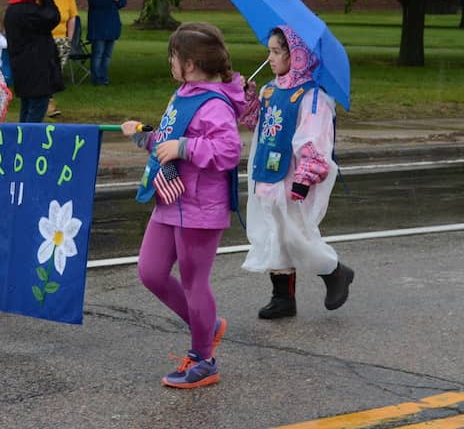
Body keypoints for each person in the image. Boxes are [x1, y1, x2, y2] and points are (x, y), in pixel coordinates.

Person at [121, 22, 245, 389]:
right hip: (170, 198)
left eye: (172, 57)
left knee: (194, 283)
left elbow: (229, 151)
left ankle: (204, 358)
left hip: (200, 207)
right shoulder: (183, 94)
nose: (170, 63)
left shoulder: (214, 104)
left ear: (189, 63)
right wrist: (144, 136)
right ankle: (207, 325)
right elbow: (170, 139)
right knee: (151, 272)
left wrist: (185, 149)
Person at [239, 25, 354, 320]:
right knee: (271, 233)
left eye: (277, 52)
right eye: (270, 51)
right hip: (266, 172)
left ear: (298, 55)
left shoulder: (311, 97)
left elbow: (314, 140)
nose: (271, 57)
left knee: (294, 235)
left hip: (291, 178)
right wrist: (247, 100)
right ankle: (282, 297)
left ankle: (334, 271)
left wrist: (305, 177)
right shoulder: (269, 89)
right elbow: (259, 125)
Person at [3, 0, 63, 122]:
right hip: (37, 69)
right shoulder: (28, 11)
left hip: (21, 66)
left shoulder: (12, 10)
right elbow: (53, 17)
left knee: (26, 108)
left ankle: (22, 140)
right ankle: (28, 141)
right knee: (35, 112)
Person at [86, 0, 127, 85]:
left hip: (111, 23)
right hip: (98, 24)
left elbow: (122, 2)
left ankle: (104, 78)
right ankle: (97, 78)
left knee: (107, 55)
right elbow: (96, 1)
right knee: (98, 53)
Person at [45, 0, 78, 117]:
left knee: (56, 73)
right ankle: (48, 104)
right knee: (46, 71)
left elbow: (72, 17)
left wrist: (69, 39)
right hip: (46, 39)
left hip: (62, 39)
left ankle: (47, 101)